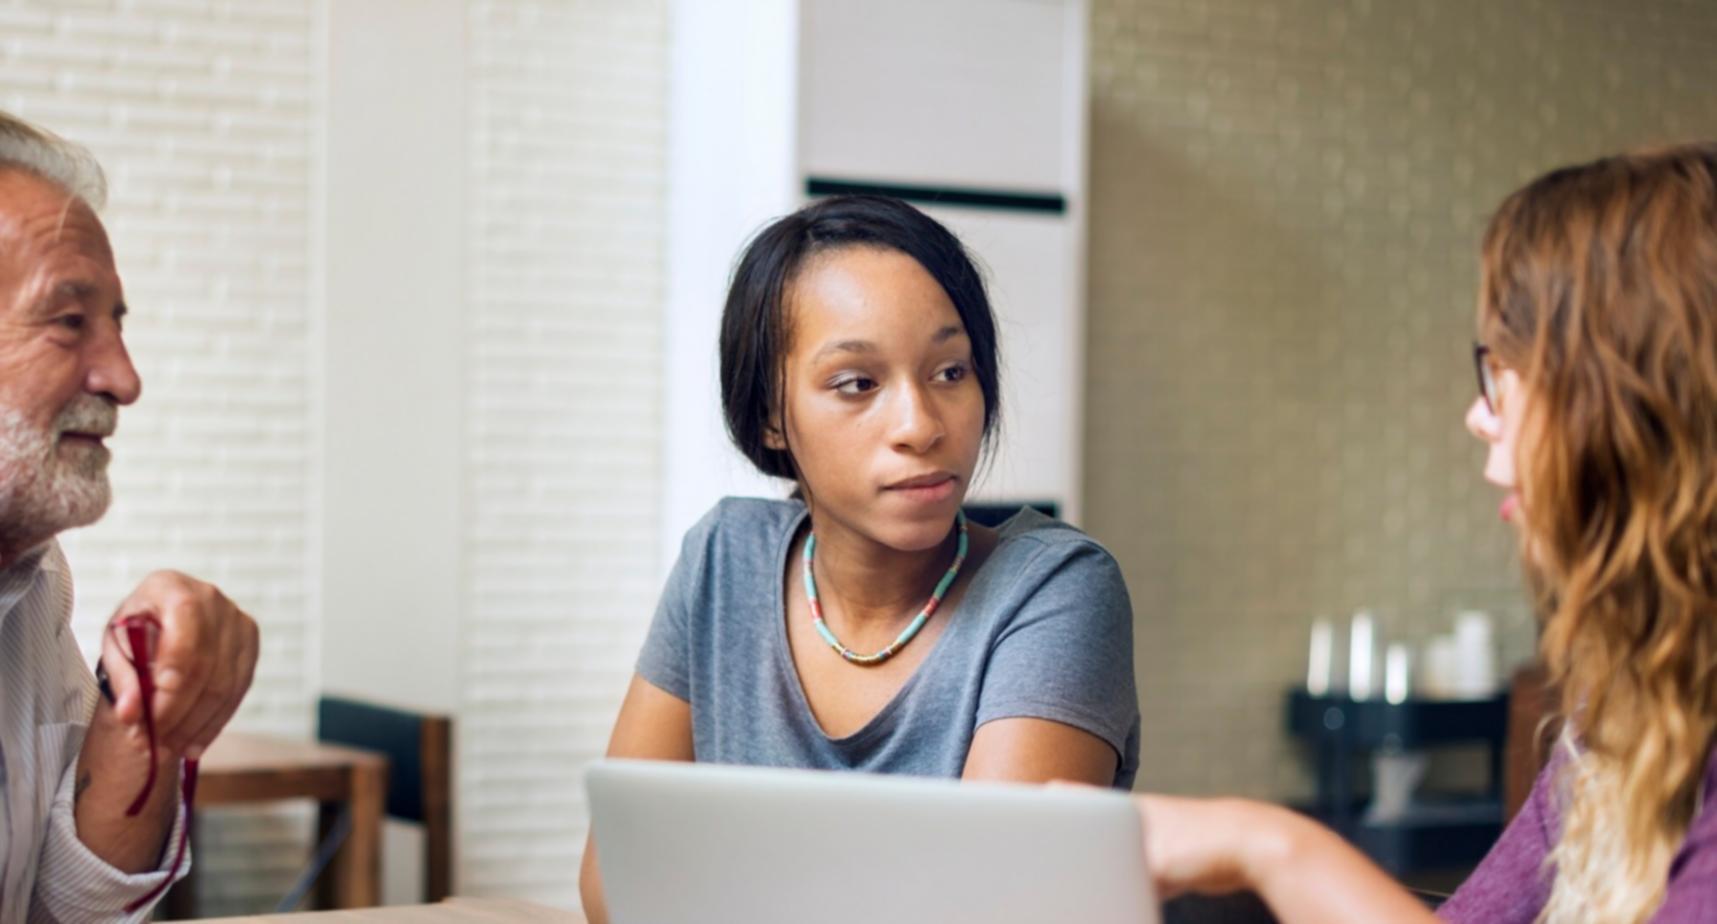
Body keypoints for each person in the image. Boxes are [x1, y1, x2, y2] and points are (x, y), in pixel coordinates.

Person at [1134, 143, 1717, 923]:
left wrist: (1272, 847)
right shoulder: (1621, 707)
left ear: (1634, 399)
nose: (1478, 415)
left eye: (1506, 370)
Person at [580, 195, 1139, 922]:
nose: (919, 425)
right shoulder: (723, 560)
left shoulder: (1054, 591)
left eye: (950, 371)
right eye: (857, 384)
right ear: (770, 415)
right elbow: (615, 882)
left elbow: (993, 908)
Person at [0, 110, 260, 921]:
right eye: (69, 322)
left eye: (115, 323)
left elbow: (66, 912)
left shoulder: (30, 578)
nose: (124, 377)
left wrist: (142, 717)